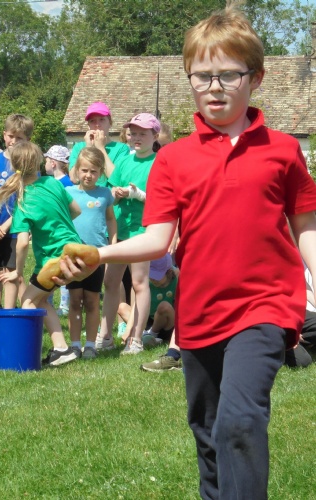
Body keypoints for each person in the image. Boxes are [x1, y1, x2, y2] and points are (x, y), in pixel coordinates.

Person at [59, 7, 316, 499]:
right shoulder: (174, 159)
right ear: (190, 78)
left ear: (256, 78)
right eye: (202, 76)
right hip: (198, 313)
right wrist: (100, 253)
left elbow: (305, 224)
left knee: (240, 422)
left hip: (263, 307)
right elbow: (159, 237)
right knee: (209, 432)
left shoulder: (283, 151)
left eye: (229, 74)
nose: (214, 87)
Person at [0, 142, 82, 367]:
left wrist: (17, 272)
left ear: (13, 166)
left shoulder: (23, 200)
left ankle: (43, 351)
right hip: (74, 250)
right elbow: (76, 210)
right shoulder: (53, 183)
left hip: (55, 257)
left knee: (27, 301)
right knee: (40, 299)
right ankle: (61, 348)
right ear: (39, 162)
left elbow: (22, 243)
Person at [96, 113, 161, 355]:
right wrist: (116, 194)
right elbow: (112, 192)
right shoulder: (124, 161)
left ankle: (136, 339)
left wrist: (138, 195)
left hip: (143, 231)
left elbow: (164, 199)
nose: (136, 137)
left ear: (155, 135)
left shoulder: (159, 163)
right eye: (133, 133)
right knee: (110, 282)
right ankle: (105, 335)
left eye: (142, 133)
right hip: (121, 229)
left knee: (139, 283)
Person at [0, 114, 33, 317]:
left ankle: (8, 315)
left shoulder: (28, 165)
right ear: (4, 135)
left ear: (28, 139)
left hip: (14, 229)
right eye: (11, 136)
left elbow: (26, 200)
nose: (14, 141)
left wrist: (7, 225)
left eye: (20, 138)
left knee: (10, 273)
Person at [65, 147, 116, 359]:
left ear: (101, 172)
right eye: (84, 170)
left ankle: (90, 345)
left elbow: (111, 219)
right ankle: (75, 345)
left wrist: (112, 245)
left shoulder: (104, 194)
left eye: (94, 171)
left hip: (97, 255)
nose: (88, 175)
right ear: (77, 170)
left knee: (93, 300)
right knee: (75, 300)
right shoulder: (68, 193)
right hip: (73, 256)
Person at [68, 102, 130, 186]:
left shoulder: (121, 148)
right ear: (88, 125)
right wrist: (88, 148)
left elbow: (116, 179)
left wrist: (101, 148)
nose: (97, 125)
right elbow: (74, 178)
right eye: (92, 121)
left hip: (108, 194)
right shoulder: (79, 147)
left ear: (110, 123)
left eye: (102, 119)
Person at [44, 145, 73, 315]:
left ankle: (63, 306)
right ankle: (49, 302)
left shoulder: (64, 184)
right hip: (54, 231)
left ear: (53, 163)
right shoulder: (61, 182)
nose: (45, 164)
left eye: (47, 160)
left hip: (60, 232)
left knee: (61, 268)